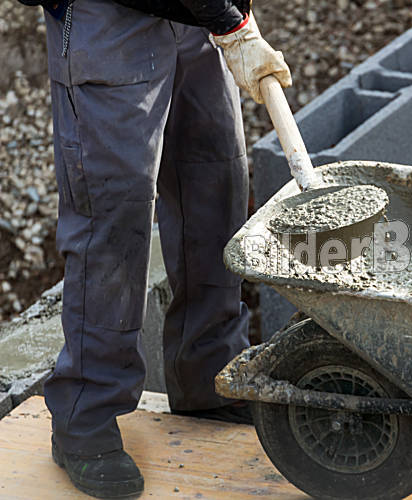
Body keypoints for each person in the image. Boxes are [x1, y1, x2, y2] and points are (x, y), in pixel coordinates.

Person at [33, 0, 292, 495]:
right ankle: (85, 415)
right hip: (108, 17)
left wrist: (235, 13)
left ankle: (210, 376)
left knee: (215, 182)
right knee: (114, 210)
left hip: (194, 16)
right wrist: (229, 20)